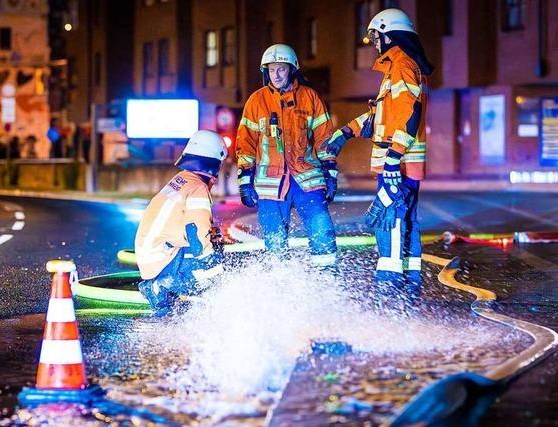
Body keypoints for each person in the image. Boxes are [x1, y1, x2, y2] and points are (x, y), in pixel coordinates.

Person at [325, 8, 433, 285]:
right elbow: (380, 119)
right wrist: (344, 133)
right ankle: (408, 281)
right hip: (398, 162)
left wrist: (395, 157)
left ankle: (392, 282)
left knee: (389, 218)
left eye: (376, 36)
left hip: (398, 164)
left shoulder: (402, 66)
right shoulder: (396, 70)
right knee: (400, 218)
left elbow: (410, 114)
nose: (373, 42)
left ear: (390, 35)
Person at [236, 43, 338, 267]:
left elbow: (324, 139)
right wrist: (244, 180)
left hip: (306, 179)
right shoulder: (256, 101)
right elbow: (246, 143)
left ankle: (327, 276)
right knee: (274, 242)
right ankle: (280, 284)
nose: (276, 75)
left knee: (322, 230)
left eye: (281, 69)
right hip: (270, 184)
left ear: (292, 69)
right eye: (271, 70)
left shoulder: (310, 97)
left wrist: (330, 173)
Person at [135, 130, 227, 316]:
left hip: (153, 253)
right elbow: (196, 234)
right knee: (212, 272)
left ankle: (167, 285)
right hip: (161, 259)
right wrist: (214, 268)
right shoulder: (198, 188)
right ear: (214, 163)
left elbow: (183, 223)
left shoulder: (181, 180)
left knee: (211, 255)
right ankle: (160, 286)